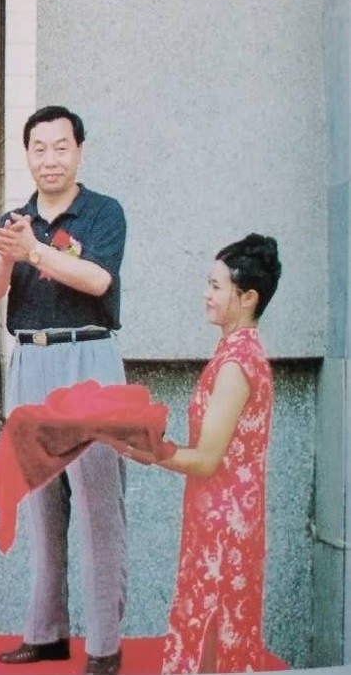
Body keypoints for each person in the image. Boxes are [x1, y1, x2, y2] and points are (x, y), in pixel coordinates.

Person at [0, 105, 128, 675]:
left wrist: (35, 252)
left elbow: (98, 279)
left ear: (79, 151)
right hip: (31, 361)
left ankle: (105, 648)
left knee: (97, 508)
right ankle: (46, 633)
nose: (50, 159)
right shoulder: (15, 219)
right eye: (39, 148)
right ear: (27, 155)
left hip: (87, 359)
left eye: (61, 147)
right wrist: (5, 257)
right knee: (40, 501)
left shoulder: (104, 212)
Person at [120, 234, 281, 674]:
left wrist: (151, 451)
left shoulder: (235, 363)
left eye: (215, 286)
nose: (205, 295)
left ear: (248, 297)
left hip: (223, 525)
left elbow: (208, 460)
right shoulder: (237, 352)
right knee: (219, 627)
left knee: (212, 629)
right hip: (222, 516)